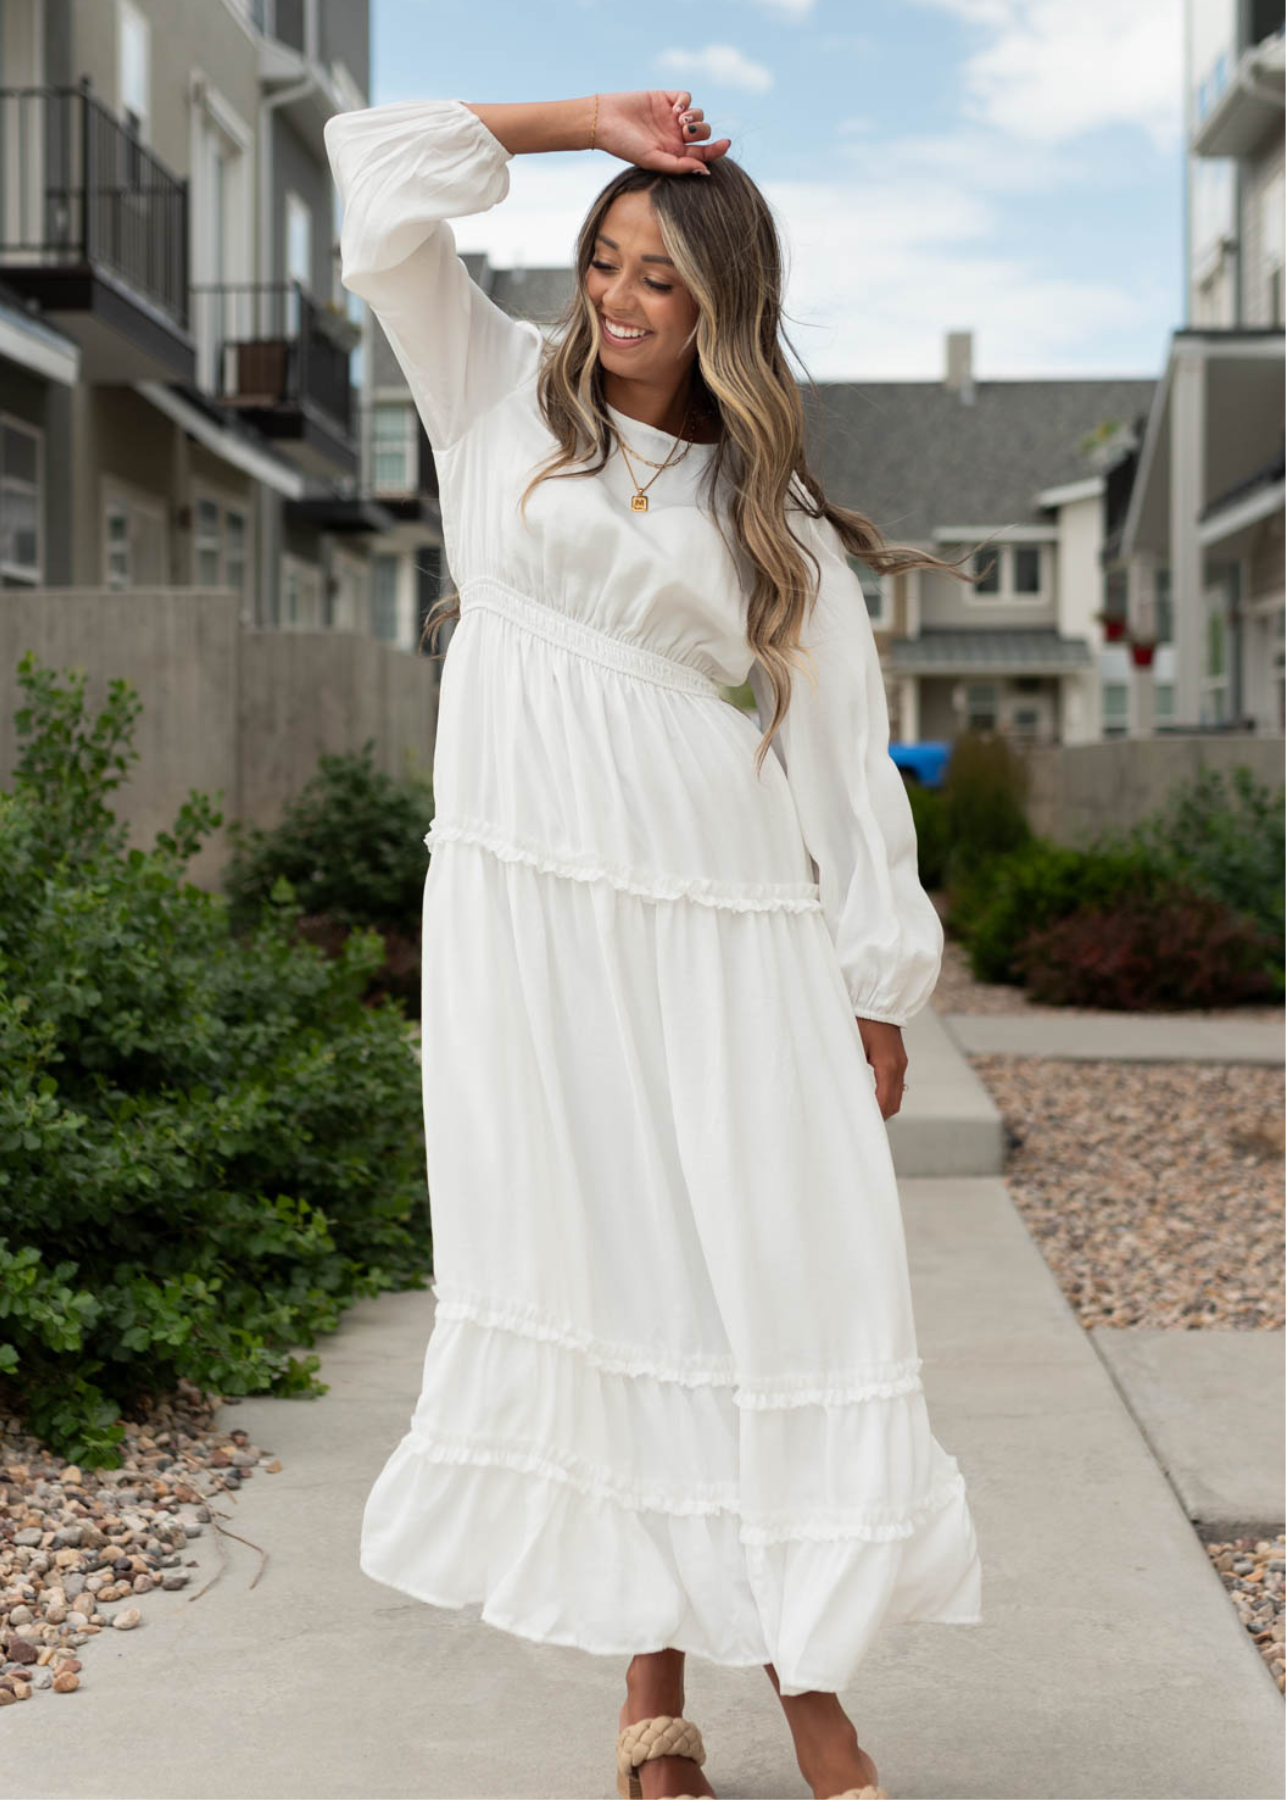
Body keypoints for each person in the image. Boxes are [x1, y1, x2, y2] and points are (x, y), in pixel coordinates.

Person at [324, 88, 983, 1800]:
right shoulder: (488, 391)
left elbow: (844, 762)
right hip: (532, 926)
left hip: (722, 931)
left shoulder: (764, 515)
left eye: (661, 278)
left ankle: (814, 1702)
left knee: (752, 1284)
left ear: (723, 305)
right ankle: (647, 1693)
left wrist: (877, 986)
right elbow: (373, 166)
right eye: (604, 263)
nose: (619, 299)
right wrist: (577, 122)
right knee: (609, 1269)